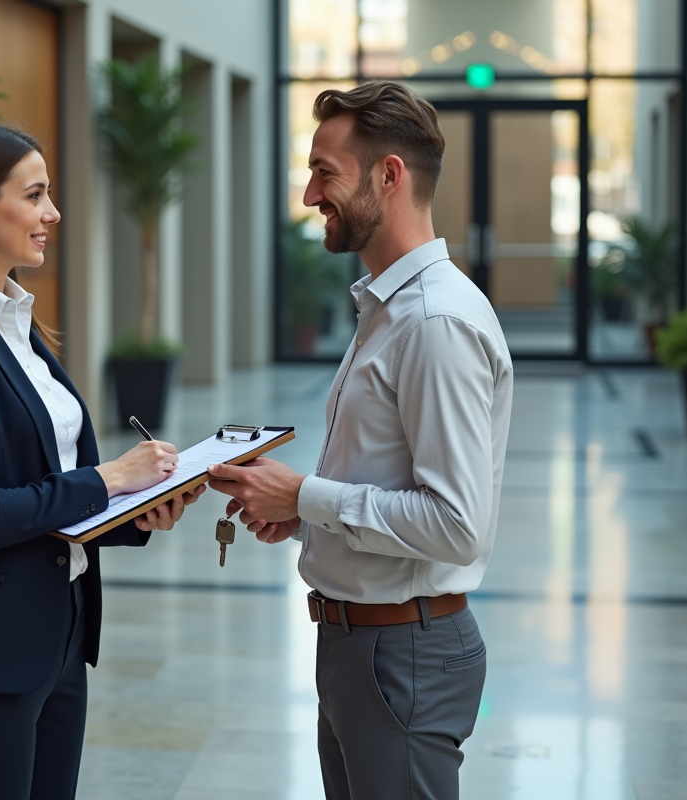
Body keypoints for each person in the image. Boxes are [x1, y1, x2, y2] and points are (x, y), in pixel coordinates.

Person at [0, 121, 205, 800]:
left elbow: (45, 490)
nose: (52, 212)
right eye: (36, 194)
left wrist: (138, 512)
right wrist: (110, 477)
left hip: (57, 639)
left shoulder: (16, 324)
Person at [207, 81, 514, 800]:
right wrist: (299, 513)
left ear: (388, 176)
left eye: (324, 171)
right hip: (358, 647)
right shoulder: (388, 309)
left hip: (400, 653)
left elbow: (458, 526)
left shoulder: (435, 322)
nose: (311, 194)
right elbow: (390, 480)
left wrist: (307, 494)